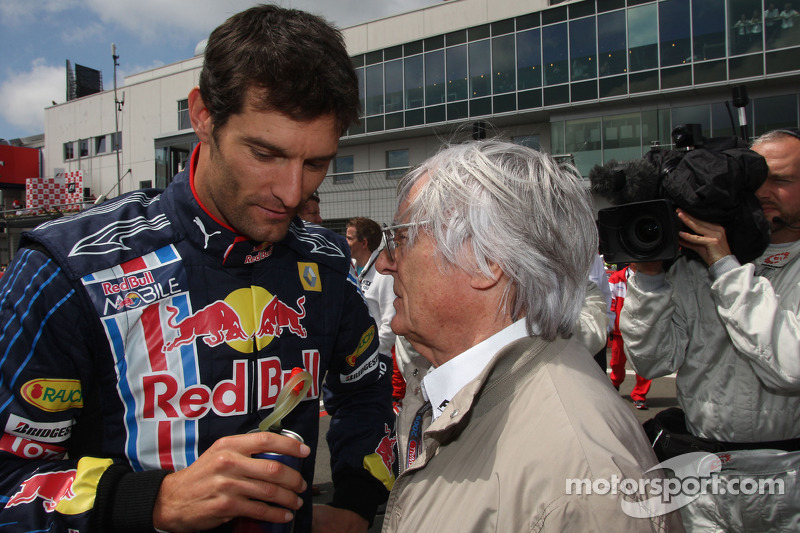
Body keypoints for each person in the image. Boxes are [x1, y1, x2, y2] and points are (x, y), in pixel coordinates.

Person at [0, 6, 394, 533]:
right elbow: (9, 479)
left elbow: (365, 391)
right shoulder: (67, 272)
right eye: (265, 153)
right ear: (203, 116)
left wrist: (354, 502)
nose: (293, 191)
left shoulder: (324, 263)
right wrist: (151, 501)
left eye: (316, 163)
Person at [377, 140, 681, 532]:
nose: (386, 262)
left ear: (487, 263)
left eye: (401, 239)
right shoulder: (475, 390)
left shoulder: (581, 477)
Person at [620, 128, 800, 531]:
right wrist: (648, 277)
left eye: (782, 180)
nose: (765, 191)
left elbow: (790, 366)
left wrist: (726, 267)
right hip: (701, 479)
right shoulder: (694, 262)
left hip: (787, 483)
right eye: (754, 179)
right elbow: (650, 362)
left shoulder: (718, 261)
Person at [345, 217, 404, 410]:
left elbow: (390, 321)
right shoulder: (349, 267)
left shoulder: (383, 273)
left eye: (349, 238)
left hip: (376, 360)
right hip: (354, 359)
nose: (345, 242)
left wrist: (374, 355)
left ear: (363, 243)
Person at [608, 263, 651, 409]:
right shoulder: (616, 278)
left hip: (642, 331)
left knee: (643, 365)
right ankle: (615, 383)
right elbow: (610, 302)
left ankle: (640, 395)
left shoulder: (650, 277)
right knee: (616, 363)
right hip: (620, 331)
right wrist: (611, 324)